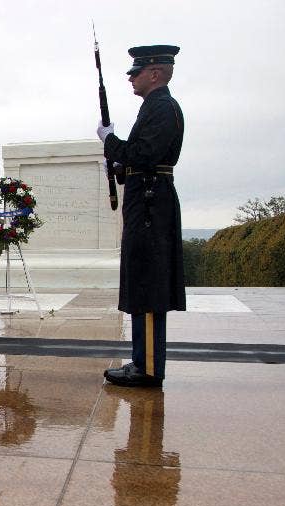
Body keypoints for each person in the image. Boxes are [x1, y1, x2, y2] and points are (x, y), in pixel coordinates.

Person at [96, 46, 185, 387]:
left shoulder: (162, 107)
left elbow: (142, 154)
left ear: (155, 74)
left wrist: (111, 142)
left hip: (150, 205)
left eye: (136, 72)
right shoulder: (153, 107)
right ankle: (141, 360)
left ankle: (146, 366)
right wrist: (118, 165)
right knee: (141, 280)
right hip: (145, 201)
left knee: (148, 284)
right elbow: (137, 160)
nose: (131, 77)